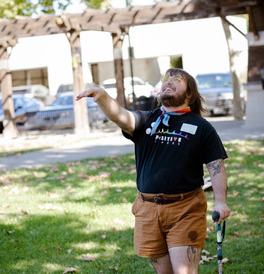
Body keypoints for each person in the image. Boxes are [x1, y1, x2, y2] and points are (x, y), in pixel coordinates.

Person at [76, 68, 230, 274]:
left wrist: (220, 201)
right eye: (165, 79)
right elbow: (119, 115)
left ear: (190, 94)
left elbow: (216, 166)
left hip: (186, 209)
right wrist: (102, 96)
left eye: (176, 80)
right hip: (147, 210)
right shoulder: (146, 120)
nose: (168, 82)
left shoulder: (202, 127)